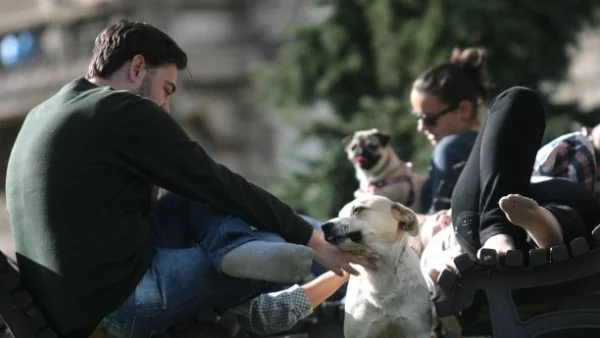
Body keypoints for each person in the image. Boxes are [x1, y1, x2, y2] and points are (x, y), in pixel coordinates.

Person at [5, 20, 378, 337]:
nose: (166, 107)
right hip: (120, 308)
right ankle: (340, 268)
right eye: (166, 89)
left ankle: (236, 252)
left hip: (70, 306)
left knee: (193, 201)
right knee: (253, 227)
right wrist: (313, 240)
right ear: (137, 68)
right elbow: (218, 182)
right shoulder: (122, 109)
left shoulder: (45, 113)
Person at [450, 86, 600, 260]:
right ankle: (517, 227)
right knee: (519, 99)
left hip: (497, 220)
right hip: (484, 214)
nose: (423, 126)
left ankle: (531, 225)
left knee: (579, 202)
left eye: (429, 119)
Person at [410, 47, 490, 214]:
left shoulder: (450, 149)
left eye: (429, 119)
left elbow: (439, 222)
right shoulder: (489, 145)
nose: (421, 128)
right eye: (417, 117)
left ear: (464, 110)